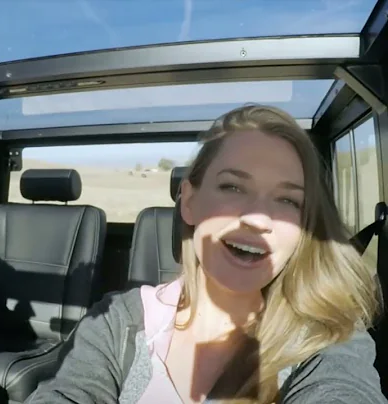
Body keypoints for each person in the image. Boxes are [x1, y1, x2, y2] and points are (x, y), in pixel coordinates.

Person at [26, 105, 386, 404]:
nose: (259, 218)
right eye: (232, 186)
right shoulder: (117, 324)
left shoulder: (330, 334)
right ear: (190, 201)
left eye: (288, 200)